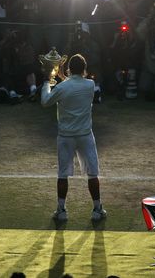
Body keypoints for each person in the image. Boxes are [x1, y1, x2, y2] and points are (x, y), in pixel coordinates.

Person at [41, 54, 106, 222]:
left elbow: (45, 101)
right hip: (85, 136)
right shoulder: (90, 85)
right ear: (84, 69)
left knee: (62, 175)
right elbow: (74, 83)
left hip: (66, 137)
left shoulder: (62, 88)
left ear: (69, 69)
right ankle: (97, 209)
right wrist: (61, 73)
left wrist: (47, 80)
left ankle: (61, 211)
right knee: (93, 174)